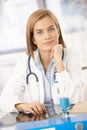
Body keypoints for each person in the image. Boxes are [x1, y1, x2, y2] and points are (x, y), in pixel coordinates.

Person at [0, 9, 84, 116]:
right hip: (38, 120)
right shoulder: (25, 61)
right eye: (39, 32)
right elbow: (4, 99)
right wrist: (21, 105)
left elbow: (75, 97)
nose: (47, 36)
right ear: (33, 39)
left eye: (51, 29)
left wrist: (59, 61)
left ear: (58, 31)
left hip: (67, 117)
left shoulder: (71, 55)